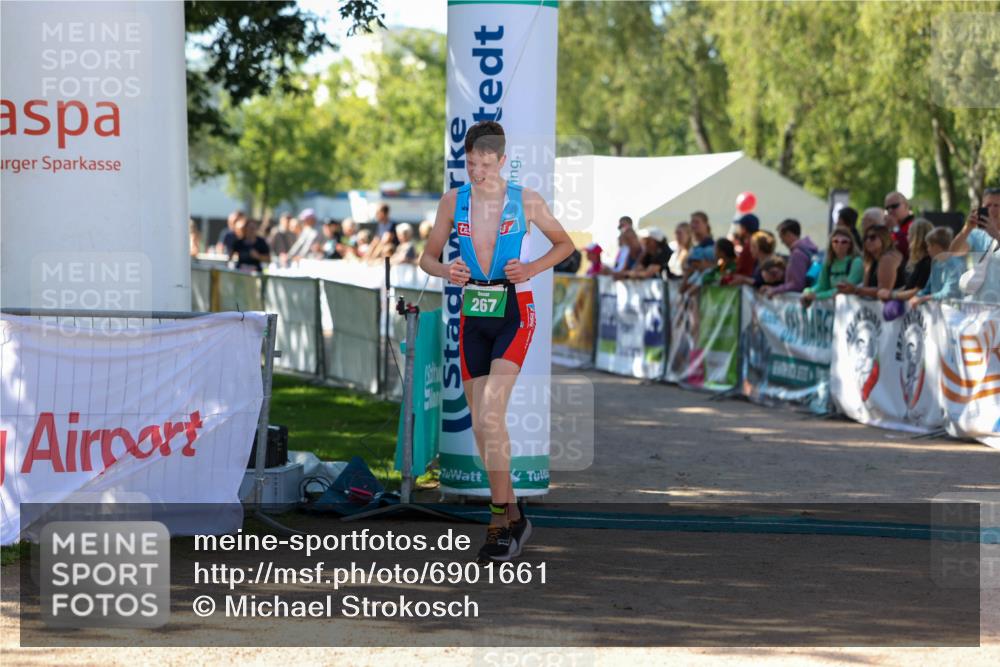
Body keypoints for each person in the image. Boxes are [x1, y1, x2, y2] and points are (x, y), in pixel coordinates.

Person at [418, 121, 574, 563]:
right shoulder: (454, 201)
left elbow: (564, 245)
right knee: (483, 426)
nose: (478, 172)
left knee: (490, 414)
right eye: (470, 164)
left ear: (502, 161)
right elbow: (427, 256)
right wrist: (446, 270)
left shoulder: (526, 200)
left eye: (486, 164)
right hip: (473, 313)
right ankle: (516, 513)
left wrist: (532, 268)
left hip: (513, 312)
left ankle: (497, 523)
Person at [949, 186, 1000, 304]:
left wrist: (996, 234)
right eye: (988, 205)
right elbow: (954, 252)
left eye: (996, 205)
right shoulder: (976, 234)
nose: (992, 209)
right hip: (980, 301)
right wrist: (966, 229)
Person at [838, 224, 904, 299]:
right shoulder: (870, 260)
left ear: (884, 238)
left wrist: (855, 290)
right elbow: (866, 287)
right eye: (865, 238)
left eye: (872, 237)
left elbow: (884, 292)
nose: (868, 241)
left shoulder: (888, 258)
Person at [801, 228, 863, 307]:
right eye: (835, 241)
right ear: (831, 244)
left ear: (850, 244)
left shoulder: (856, 262)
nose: (839, 245)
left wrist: (817, 296)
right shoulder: (829, 262)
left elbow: (846, 289)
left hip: (850, 307)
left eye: (844, 242)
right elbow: (822, 285)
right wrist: (808, 291)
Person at [761, 219, 818, 296]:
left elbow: (797, 285)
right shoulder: (806, 250)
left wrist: (775, 290)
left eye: (782, 237)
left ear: (788, 234)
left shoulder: (797, 254)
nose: (782, 241)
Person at [909, 227, 964, 307]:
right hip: (937, 311)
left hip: (953, 312)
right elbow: (928, 288)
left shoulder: (954, 265)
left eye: (929, 246)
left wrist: (923, 299)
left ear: (937, 246)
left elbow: (949, 293)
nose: (927, 249)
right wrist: (917, 297)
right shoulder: (936, 263)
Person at [882, 218, 933, 302]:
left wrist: (891, 295)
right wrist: (892, 293)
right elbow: (909, 286)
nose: (907, 238)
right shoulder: (919, 261)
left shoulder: (927, 262)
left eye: (909, 234)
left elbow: (917, 291)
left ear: (917, 238)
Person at [884, 191, 915, 261]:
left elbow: (908, 250)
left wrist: (895, 228)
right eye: (887, 208)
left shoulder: (915, 226)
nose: (890, 210)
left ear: (906, 206)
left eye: (894, 206)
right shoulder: (890, 228)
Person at [733, 213, 760, 278]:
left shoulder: (749, 246)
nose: (739, 230)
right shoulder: (758, 243)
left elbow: (741, 269)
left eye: (740, 227)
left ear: (744, 229)